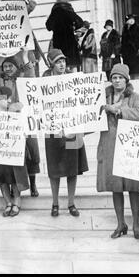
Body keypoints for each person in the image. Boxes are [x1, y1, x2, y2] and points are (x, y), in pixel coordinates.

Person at [96, 64, 139, 239]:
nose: (117, 80)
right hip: (110, 145)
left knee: (133, 187)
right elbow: (91, 115)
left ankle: (137, 224)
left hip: (129, 146)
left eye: (120, 77)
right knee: (115, 188)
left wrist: (117, 110)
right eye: (114, 77)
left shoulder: (135, 97)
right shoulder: (102, 97)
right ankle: (120, 224)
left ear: (126, 79)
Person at [0, 51, 41, 197]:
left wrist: (25, 56)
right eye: (5, 66)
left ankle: (33, 184)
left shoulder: (22, 78)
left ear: (16, 67)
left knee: (32, 153)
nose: (7, 69)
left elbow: (31, 75)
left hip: (24, 121)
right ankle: (15, 188)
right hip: (8, 126)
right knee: (12, 158)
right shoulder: (0, 82)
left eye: (10, 66)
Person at [43, 48, 89, 217]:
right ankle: (55, 203)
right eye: (58, 61)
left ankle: (71, 203)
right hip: (53, 130)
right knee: (54, 169)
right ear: (51, 64)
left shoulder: (73, 78)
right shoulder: (44, 80)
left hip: (72, 128)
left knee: (72, 167)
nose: (62, 64)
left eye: (63, 61)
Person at [0, 86, 30, 217]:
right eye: (6, 98)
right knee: (2, 177)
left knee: (14, 177)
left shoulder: (14, 110)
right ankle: (8, 202)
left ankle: (17, 202)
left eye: (9, 98)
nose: (9, 101)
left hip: (12, 148)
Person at [46, 0, 84, 72]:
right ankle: (75, 81)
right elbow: (80, 23)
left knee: (60, 64)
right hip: (70, 42)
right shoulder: (69, 10)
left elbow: (48, 27)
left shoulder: (54, 12)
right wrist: (74, 27)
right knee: (73, 65)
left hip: (58, 43)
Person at [121, 14, 139, 80]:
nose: (131, 21)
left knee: (135, 66)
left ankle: (136, 78)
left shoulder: (137, 27)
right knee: (128, 66)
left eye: (132, 19)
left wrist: (137, 47)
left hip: (134, 50)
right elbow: (123, 40)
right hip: (126, 51)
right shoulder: (125, 28)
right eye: (129, 20)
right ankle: (132, 78)